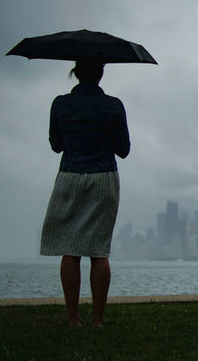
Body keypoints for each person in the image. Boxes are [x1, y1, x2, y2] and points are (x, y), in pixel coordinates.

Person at [39, 58, 130, 327]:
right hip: (103, 178)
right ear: (102, 73)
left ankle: (72, 318)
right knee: (99, 251)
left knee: (70, 249)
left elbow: (56, 145)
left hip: (69, 175)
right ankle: (98, 320)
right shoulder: (114, 106)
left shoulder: (60, 104)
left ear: (76, 73)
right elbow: (123, 149)